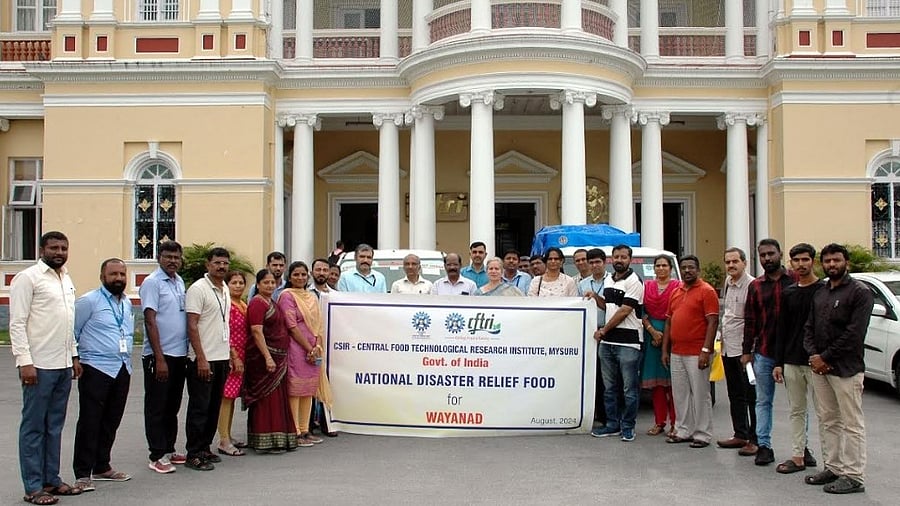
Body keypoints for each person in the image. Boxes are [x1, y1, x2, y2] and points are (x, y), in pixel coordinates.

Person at [10, 231, 83, 504]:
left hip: (63, 364)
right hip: (38, 366)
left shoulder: (66, 278)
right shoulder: (28, 278)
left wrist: (74, 356)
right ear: (42, 249)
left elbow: (68, 320)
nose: (59, 252)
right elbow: (17, 323)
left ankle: (51, 480)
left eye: (64, 248)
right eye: (54, 247)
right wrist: (24, 361)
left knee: (54, 426)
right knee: (33, 428)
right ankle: (32, 487)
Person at [803, 243, 872, 494]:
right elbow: (809, 327)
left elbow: (855, 334)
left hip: (846, 369)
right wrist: (813, 355)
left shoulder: (860, 292)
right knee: (828, 420)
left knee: (851, 423)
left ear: (847, 263)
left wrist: (826, 357)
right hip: (820, 368)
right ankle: (833, 467)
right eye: (828, 261)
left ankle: (854, 476)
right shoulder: (821, 292)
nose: (832, 264)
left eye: (837, 260)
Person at [72, 258, 134, 492]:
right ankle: (82, 473)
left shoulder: (126, 303)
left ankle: (102, 466)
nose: (118, 278)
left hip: (122, 368)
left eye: (122, 274)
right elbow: (72, 332)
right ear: (102, 277)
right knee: (90, 421)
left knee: (111, 420)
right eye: (113, 274)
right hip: (95, 368)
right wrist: (74, 359)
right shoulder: (89, 301)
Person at [742, 239, 797, 466]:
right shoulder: (756, 286)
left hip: (794, 353)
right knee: (763, 401)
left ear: (780, 254)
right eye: (762, 255)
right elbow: (750, 320)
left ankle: (802, 449)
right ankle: (764, 446)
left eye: (771, 254)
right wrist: (747, 352)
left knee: (797, 404)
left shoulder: (795, 280)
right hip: (764, 351)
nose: (767, 258)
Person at [772, 243, 822, 474]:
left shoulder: (824, 290)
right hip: (792, 360)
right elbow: (781, 329)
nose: (801, 265)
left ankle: (832, 462)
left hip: (817, 362)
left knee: (825, 413)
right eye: (796, 261)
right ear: (790, 263)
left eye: (805, 260)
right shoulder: (789, 292)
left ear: (813, 261)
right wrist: (778, 363)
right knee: (796, 411)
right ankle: (798, 456)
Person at [139, 240, 188, 474]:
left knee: (172, 405)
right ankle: (156, 454)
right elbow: (150, 320)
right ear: (159, 258)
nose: (172, 261)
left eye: (176, 257)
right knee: (157, 406)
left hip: (179, 354)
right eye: (168, 256)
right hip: (159, 355)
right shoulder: (152, 283)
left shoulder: (179, 281)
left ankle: (169, 447)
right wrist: (158, 358)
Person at [661, 256, 719, 448]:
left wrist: (706, 350)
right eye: (684, 268)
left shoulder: (707, 291)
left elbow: (712, 322)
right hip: (677, 351)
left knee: (701, 394)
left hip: (697, 352)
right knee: (680, 394)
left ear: (698, 270)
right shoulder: (676, 291)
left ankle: (702, 434)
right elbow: (669, 321)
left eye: (691, 268)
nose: (687, 271)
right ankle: (683, 430)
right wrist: (665, 350)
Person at [183, 247, 233, 471]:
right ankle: (193, 453)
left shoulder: (224, 289)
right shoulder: (198, 289)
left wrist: (229, 355)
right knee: (199, 407)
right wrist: (201, 358)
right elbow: (192, 325)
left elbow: (225, 324)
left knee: (213, 407)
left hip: (221, 357)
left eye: (225, 263)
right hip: (203, 359)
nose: (221, 267)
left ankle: (205, 447)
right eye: (217, 263)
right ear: (208, 265)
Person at [590, 245, 644, 442]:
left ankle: (628, 426)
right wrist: (596, 298)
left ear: (630, 259)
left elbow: (624, 310)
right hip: (608, 343)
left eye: (623, 256)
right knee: (609, 388)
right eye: (616, 257)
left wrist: (604, 330)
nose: (619, 259)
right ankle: (612, 424)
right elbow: (610, 306)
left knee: (629, 389)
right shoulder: (609, 280)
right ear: (611, 259)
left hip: (628, 343)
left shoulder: (635, 281)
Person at [244, 270, 299, 454]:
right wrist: (267, 357)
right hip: (263, 360)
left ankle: (279, 438)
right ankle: (265, 439)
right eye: (265, 282)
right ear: (258, 285)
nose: (269, 285)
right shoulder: (257, 303)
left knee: (277, 398)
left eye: (272, 283)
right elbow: (257, 332)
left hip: (278, 357)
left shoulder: (271, 302)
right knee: (266, 400)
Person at [279, 262, 331, 446]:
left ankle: (305, 429)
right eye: (296, 275)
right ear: (290, 276)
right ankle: (295, 432)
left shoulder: (311, 296)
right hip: (296, 348)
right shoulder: (287, 296)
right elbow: (291, 325)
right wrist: (308, 348)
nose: (300, 278)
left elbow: (318, 323)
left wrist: (316, 345)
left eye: (303, 275)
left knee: (309, 390)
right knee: (295, 390)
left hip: (313, 348)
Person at [716, 247, 759, 456]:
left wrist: (748, 351)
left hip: (745, 350)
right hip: (728, 348)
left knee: (751, 396)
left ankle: (755, 438)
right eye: (728, 262)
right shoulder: (728, 282)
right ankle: (740, 433)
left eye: (735, 261)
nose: (731, 265)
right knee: (735, 394)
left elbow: (754, 320)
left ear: (744, 263)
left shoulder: (752, 285)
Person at [641, 254, 681, 437]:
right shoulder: (646, 286)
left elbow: (679, 312)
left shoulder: (677, 287)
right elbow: (641, 311)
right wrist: (652, 331)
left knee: (673, 384)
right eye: (658, 265)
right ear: (654, 268)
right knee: (657, 384)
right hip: (651, 338)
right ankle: (659, 422)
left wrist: (665, 335)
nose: (661, 268)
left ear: (671, 268)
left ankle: (676, 423)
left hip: (672, 337)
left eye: (665, 265)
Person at [216, 271, 249, 457]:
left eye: (240, 282)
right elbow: (225, 332)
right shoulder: (226, 304)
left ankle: (228, 434)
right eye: (234, 282)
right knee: (226, 397)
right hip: (231, 355)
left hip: (242, 355)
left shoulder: (243, 304)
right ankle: (223, 439)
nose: (238, 286)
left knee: (232, 396)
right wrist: (233, 356)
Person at [577, 248, 609, 426]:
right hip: (589, 334)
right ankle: (595, 413)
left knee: (608, 377)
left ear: (604, 262)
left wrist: (595, 297)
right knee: (592, 375)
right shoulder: (583, 284)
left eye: (598, 262)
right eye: (592, 262)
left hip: (608, 330)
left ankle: (608, 417)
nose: (595, 265)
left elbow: (610, 307)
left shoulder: (612, 281)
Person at [307, 258, 338, 437]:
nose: (321, 273)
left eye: (324, 270)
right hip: (310, 345)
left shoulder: (336, 294)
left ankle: (328, 423)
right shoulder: (305, 294)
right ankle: (308, 425)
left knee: (329, 384)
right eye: (318, 269)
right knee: (310, 385)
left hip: (331, 345)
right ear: (312, 272)